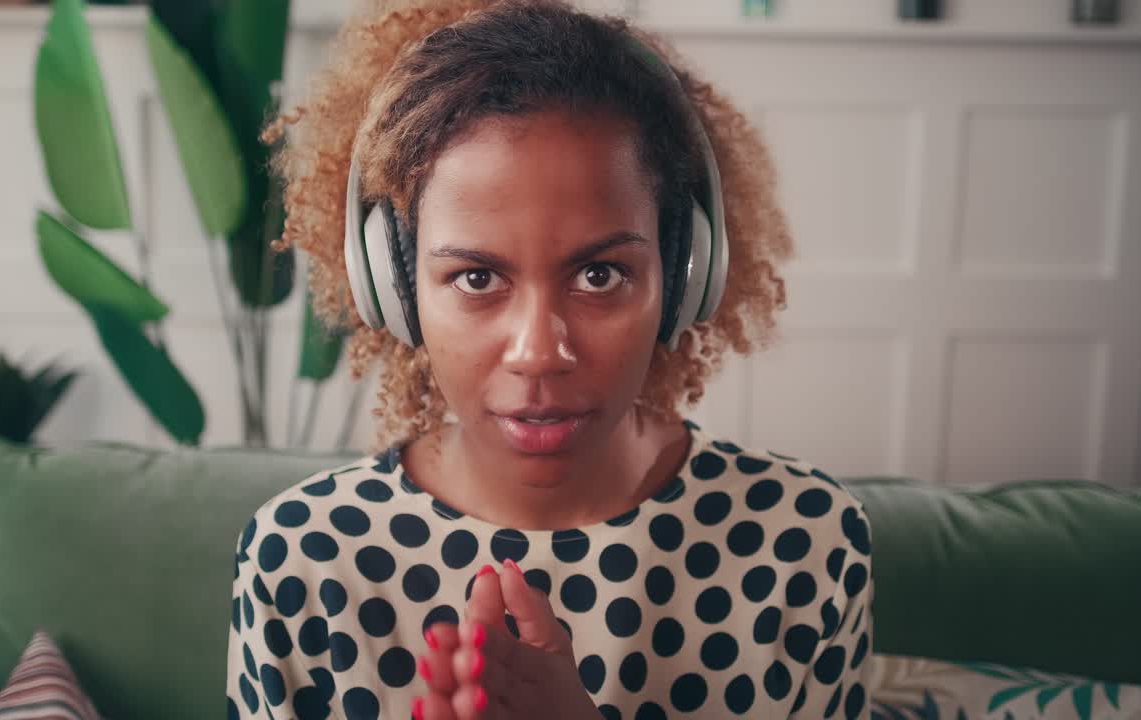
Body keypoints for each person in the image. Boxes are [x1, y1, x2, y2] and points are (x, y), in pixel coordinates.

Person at [225, 1, 874, 718]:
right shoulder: (302, 560)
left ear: (687, 273)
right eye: (477, 278)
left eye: (599, 275)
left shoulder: (803, 544)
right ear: (395, 286)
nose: (540, 352)